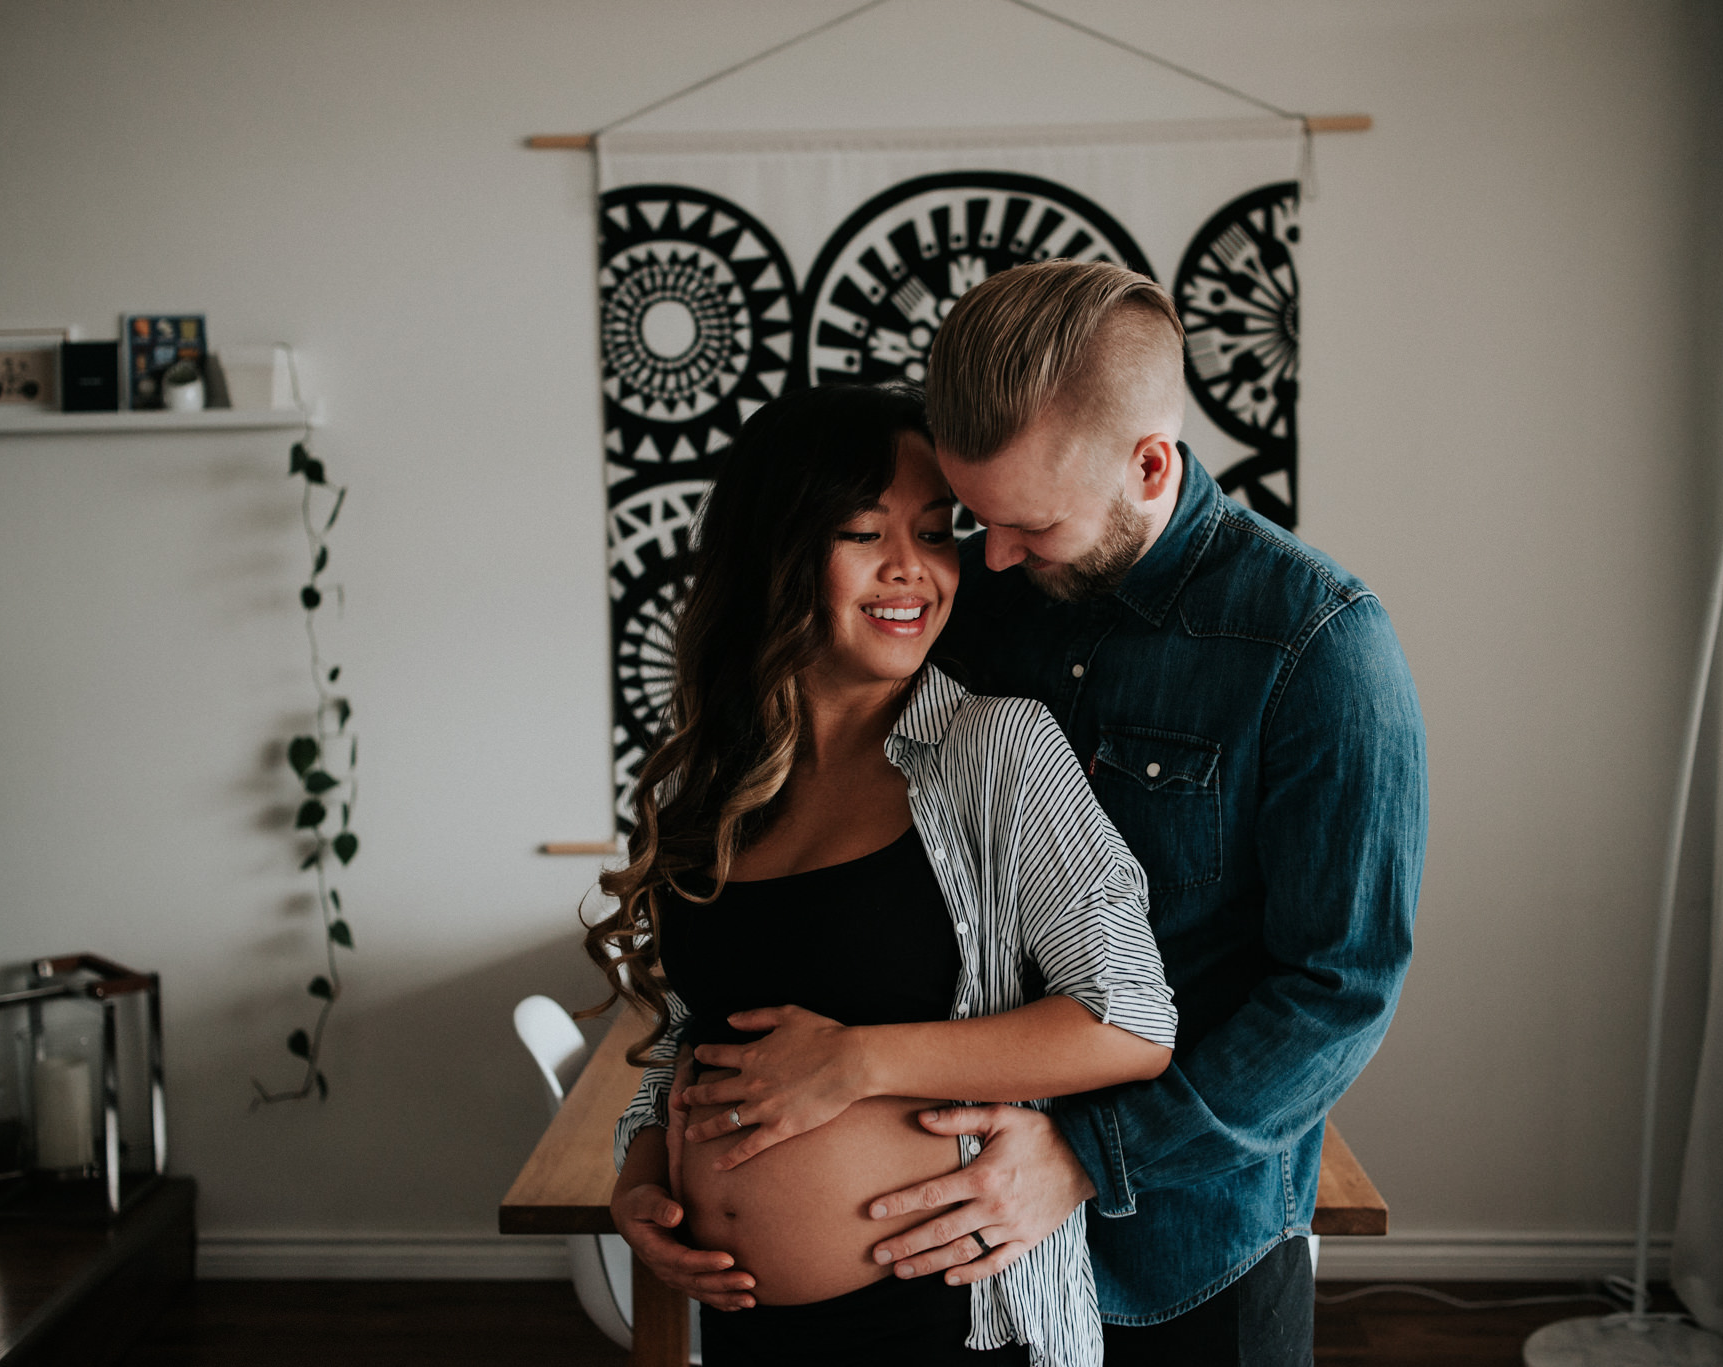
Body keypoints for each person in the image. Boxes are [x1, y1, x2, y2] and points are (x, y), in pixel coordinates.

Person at [848, 260, 1426, 1365]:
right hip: (965, 1246)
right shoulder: (978, 606)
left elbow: (1335, 990)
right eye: (978, 518)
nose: (994, 556)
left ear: (1148, 463)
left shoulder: (1320, 647)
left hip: (1188, 1249)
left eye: (1029, 524)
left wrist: (1083, 1152)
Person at [584, 383, 1178, 1367]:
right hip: (745, 1329)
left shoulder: (996, 750)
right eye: (863, 531)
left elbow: (1128, 1021)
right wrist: (639, 1170)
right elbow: (705, 1031)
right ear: (775, 555)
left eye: (937, 532)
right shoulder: (713, 778)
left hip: (944, 1319)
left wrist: (859, 1060)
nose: (913, 569)